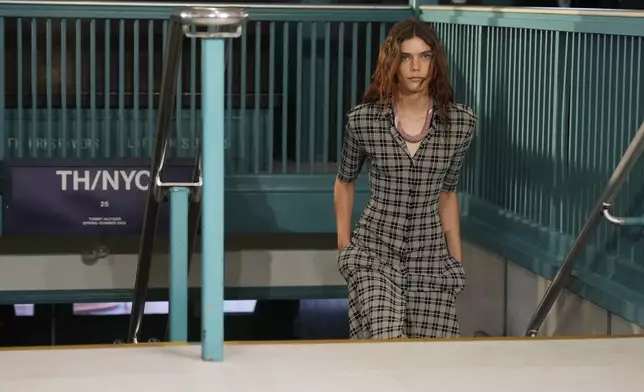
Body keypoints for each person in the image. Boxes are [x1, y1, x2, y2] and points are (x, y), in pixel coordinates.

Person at [333, 18, 476, 339]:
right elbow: (344, 181)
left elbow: (448, 194)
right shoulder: (364, 121)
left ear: (435, 62)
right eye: (406, 57)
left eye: (424, 56)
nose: (416, 67)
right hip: (374, 252)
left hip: (431, 258)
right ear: (392, 62)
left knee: (433, 362)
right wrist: (344, 245)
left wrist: (456, 261)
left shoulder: (460, 123)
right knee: (385, 342)